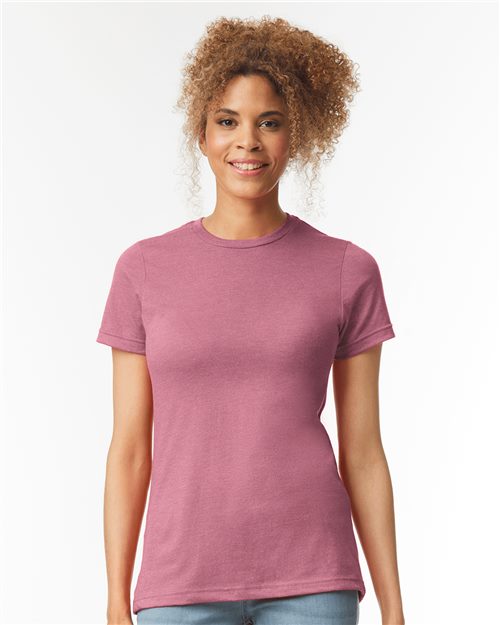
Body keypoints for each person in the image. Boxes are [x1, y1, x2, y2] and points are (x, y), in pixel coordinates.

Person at [97, 15, 405, 625]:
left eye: (270, 122)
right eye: (227, 121)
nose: (248, 141)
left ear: (298, 133)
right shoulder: (143, 269)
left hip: (314, 576)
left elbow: (364, 452)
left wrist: (393, 607)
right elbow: (130, 449)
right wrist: (115, 599)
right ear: (202, 134)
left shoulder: (347, 269)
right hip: (179, 581)